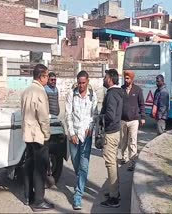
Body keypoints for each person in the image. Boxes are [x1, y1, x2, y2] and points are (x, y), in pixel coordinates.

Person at [21, 64, 54, 212]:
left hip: (27, 135)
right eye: (47, 76)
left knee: (29, 166)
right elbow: (43, 118)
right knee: (40, 169)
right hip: (38, 135)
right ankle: (38, 201)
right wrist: (47, 134)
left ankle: (28, 196)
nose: (48, 78)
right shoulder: (39, 92)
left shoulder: (26, 91)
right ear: (41, 77)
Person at [65, 70, 98, 210]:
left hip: (86, 137)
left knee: (84, 166)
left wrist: (91, 128)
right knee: (76, 164)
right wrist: (72, 133)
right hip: (74, 136)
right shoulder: (71, 95)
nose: (81, 85)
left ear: (88, 81)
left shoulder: (92, 96)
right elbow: (67, 115)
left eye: (84, 83)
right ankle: (80, 181)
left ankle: (78, 195)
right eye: (79, 83)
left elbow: (95, 115)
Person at [100, 69, 123, 208]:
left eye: (105, 77)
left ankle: (114, 197)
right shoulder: (118, 93)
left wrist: (99, 118)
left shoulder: (112, 94)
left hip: (111, 132)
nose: (104, 79)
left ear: (110, 79)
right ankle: (115, 191)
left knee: (110, 164)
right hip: (115, 131)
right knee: (113, 162)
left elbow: (110, 115)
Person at [120, 70, 145, 171]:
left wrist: (142, 117)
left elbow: (142, 104)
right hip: (122, 120)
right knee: (123, 141)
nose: (126, 80)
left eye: (128, 78)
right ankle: (124, 157)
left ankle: (132, 162)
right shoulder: (121, 89)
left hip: (134, 120)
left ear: (132, 79)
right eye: (125, 78)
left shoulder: (137, 90)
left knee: (132, 141)